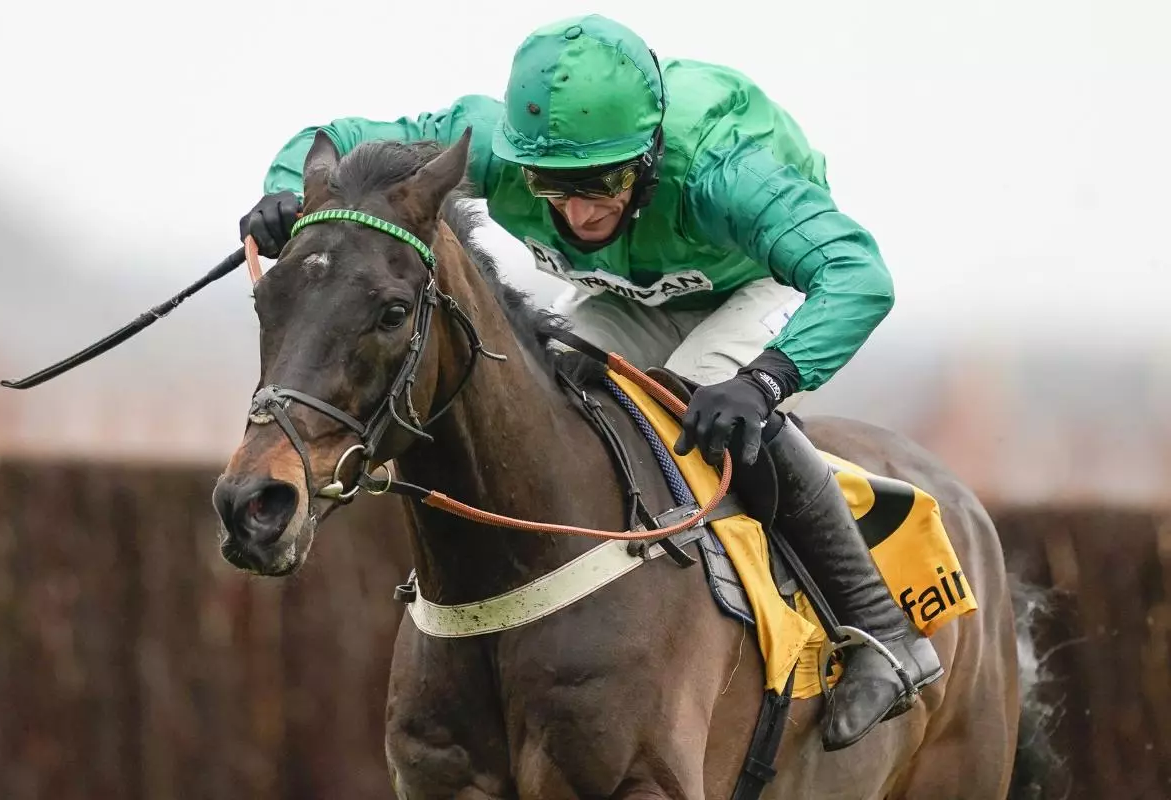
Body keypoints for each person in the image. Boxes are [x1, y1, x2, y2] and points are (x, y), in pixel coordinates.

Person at [238, 13, 941, 751]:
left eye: (600, 184)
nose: (575, 214)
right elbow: (335, 140)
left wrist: (766, 381)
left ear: (650, 156)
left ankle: (885, 637)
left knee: (698, 396)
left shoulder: (722, 173)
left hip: (753, 282)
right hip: (630, 291)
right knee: (551, 391)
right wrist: (287, 191)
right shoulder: (489, 139)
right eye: (551, 186)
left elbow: (858, 273)